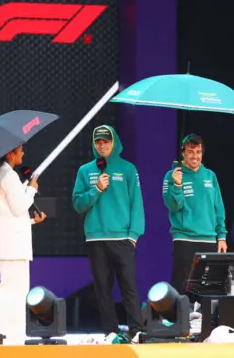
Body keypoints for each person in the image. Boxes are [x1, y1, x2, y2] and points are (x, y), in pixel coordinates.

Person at [72, 125, 144, 343]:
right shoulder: (85, 171)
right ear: (94, 144)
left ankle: (136, 330)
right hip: (96, 238)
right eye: (98, 142)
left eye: (106, 141)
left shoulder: (128, 169)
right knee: (102, 288)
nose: (102, 145)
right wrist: (97, 189)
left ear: (114, 142)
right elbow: (78, 204)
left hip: (122, 238)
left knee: (129, 286)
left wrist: (133, 235)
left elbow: (137, 205)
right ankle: (110, 331)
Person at [0, 145, 47, 345]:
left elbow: (10, 214)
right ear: (10, 154)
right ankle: (12, 338)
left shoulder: (0, 173)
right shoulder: (8, 175)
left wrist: (31, 221)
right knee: (16, 293)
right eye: (20, 150)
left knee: (7, 291)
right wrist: (31, 189)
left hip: (9, 243)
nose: (23, 153)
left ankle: (2, 334)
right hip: (14, 247)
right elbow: (19, 206)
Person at [162, 134, 227, 296]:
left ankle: (204, 320)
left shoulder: (210, 176)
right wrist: (177, 185)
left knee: (208, 287)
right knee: (181, 285)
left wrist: (222, 236)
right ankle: (180, 320)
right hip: (184, 238)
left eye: (198, 152)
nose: (195, 156)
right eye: (191, 152)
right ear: (183, 153)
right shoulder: (172, 175)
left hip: (209, 239)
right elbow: (173, 206)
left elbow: (218, 208)